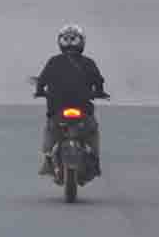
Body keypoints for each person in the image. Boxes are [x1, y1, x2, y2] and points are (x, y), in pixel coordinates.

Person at [33, 23, 108, 176]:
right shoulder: (88, 62)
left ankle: (47, 159)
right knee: (92, 131)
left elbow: (42, 80)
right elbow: (99, 81)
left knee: (50, 129)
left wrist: (40, 92)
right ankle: (95, 160)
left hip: (57, 110)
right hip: (83, 110)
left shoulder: (53, 61)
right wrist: (99, 93)